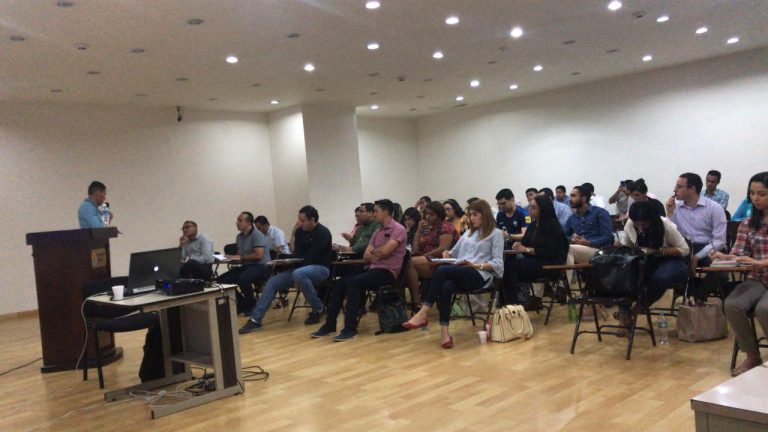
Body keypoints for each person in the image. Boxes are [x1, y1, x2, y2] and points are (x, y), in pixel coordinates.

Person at [402, 199, 504, 348]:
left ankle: (423, 311)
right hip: (462, 271)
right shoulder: (469, 233)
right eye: (470, 215)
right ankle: (444, 334)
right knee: (446, 285)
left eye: (475, 214)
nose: (471, 218)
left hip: (480, 274)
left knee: (442, 270)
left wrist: (475, 265)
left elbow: (498, 263)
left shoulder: (496, 234)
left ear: (485, 214)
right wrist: (447, 254)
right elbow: (453, 252)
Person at [311, 199, 407, 342]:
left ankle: (350, 329)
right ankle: (330, 325)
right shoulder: (377, 232)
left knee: (353, 283)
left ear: (386, 212)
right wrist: (377, 253)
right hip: (373, 270)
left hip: (388, 273)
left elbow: (385, 252)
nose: (374, 214)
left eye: (376, 211)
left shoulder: (398, 229)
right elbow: (366, 255)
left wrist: (376, 252)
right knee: (340, 283)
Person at [239, 206, 334, 333]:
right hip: (300, 269)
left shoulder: (323, 232)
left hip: (320, 268)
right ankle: (255, 320)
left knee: (298, 274)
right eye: (299, 220)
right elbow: (297, 253)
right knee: (273, 282)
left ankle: (318, 308)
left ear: (312, 220)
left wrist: (296, 270)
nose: (299, 223)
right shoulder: (300, 232)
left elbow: (313, 256)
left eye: (302, 220)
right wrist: (293, 234)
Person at [718, 172, 768, 376]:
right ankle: (752, 355)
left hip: (761, 271)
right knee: (732, 304)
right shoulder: (748, 223)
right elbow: (739, 252)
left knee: (765, 309)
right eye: (752, 193)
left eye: (761, 194)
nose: (755, 198)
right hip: (758, 278)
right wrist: (724, 257)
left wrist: (761, 262)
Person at [616, 201, 690, 334]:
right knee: (625, 274)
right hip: (646, 261)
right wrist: (622, 248)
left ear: (652, 220)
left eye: (644, 224)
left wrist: (657, 251)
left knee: (660, 278)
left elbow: (685, 250)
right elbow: (627, 247)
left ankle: (637, 310)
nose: (640, 228)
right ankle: (624, 314)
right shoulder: (630, 224)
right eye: (637, 224)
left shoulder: (665, 225)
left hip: (672, 260)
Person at [503, 195, 569, 306]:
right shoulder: (533, 225)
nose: (530, 209)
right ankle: (507, 303)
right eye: (530, 207)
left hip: (549, 265)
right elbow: (524, 242)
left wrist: (527, 250)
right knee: (505, 264)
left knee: (510, 268)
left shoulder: (552, 226)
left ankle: (513, 303)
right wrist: (517, 245)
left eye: (534, 208)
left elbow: (550, 251)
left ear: (543, 209)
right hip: (535, 261)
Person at [406, 201, 459, 305]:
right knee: (403, 263)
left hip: (442, 261)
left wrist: (424, 255)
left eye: (431, 215)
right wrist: (418, 230)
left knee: (410, 263)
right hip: (428, 259)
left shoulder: (446, 227)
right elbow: (415, 249)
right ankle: (407, 300)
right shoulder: (428, 228)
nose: (427, 217)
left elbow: (443, 249)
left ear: (439, 215)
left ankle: (416, 301)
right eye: (426, 214)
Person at [218, 212, 272, 314]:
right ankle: (242, 303)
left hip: (262, 266)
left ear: (248, 223)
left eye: (240, 220)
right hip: (247, 266)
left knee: (243, 279)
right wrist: (230, 258)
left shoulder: (257, 235)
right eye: (237, 220)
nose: (237, 223)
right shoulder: (239, 237)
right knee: (221, 280)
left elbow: (258, 255)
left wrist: (241, 257)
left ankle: (252, 305)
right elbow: (240, 255)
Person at [563, 186, 613, 264]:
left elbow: (608, 237)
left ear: (583, 198)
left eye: (573, 196)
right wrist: (572, 239)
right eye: (570, 196)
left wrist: (588, 243)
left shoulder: (600, 212)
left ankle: (568, 273)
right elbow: (562, 235)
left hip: (598, 251)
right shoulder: (572, 218)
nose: (570, 199)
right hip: (579, 248)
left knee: (569, 249)